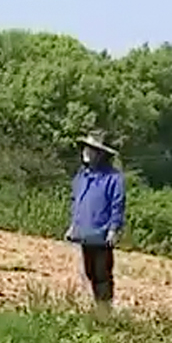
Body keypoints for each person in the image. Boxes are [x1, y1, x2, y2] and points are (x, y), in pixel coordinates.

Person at [66, 133, 126, 312]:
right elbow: (76, 201)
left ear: (100, 154)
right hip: (85, 231)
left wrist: (113, 229)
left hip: (102, 233)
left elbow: (117, 204)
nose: (86, 152)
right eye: (86, 148)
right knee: (90, 271)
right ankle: (98, 306)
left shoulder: (113, 178)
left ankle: (104, 310)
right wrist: (73, 226)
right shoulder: (82, 176)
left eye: (90, 149)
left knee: (102, 273)